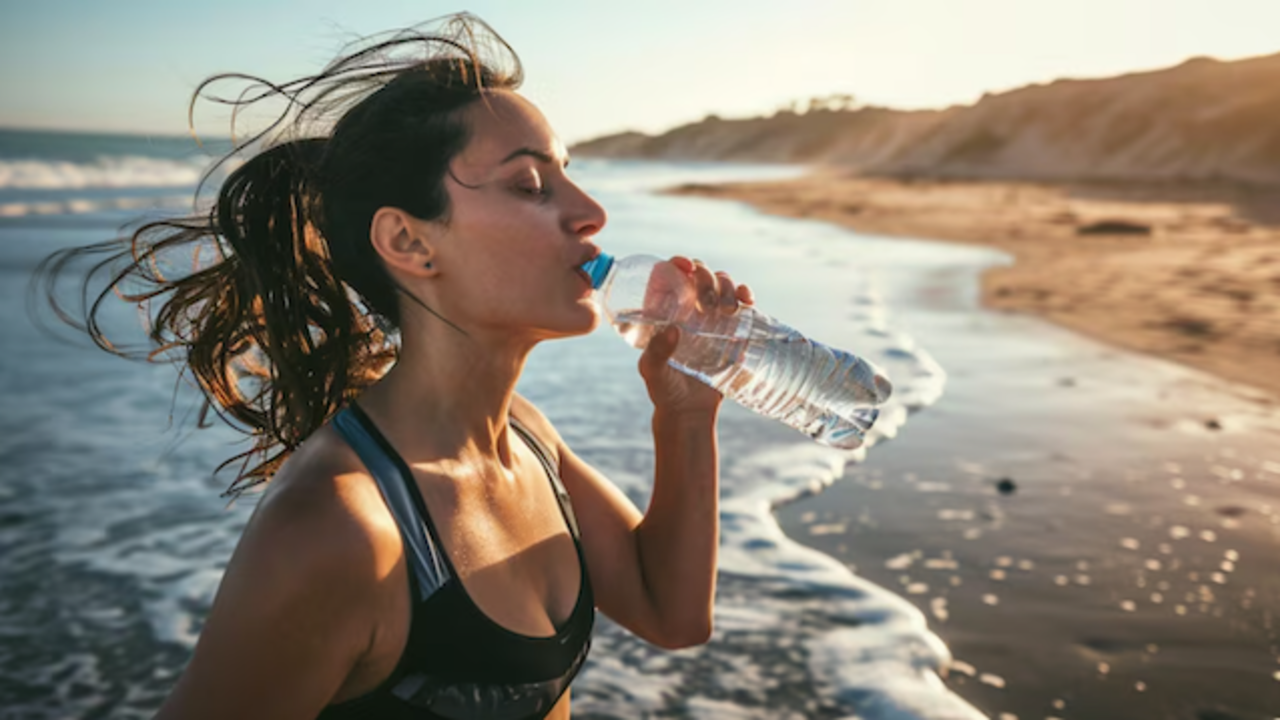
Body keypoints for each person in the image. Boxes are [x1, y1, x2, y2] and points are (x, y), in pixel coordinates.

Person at [38, 14, 754, 720]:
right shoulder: (339, 527)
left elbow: (673, 614)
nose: (591, 212)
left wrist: (686, 416)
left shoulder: (528, 440)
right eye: (532, 186)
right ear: (409, 242)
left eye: (568, 178)